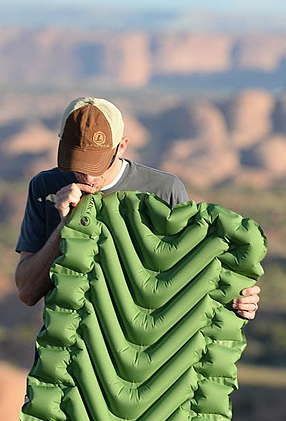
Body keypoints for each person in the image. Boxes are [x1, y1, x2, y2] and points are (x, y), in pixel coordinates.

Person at [14, 96, 261, 320]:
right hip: (71, 351)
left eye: (96, 163)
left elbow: (196, 272)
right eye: (77, 162)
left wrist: (239, 297)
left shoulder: (163, 190)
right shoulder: (45, 187)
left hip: (145, 348)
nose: (87, 176)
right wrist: (65, 227)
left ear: (122, 146)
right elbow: (27, 292)